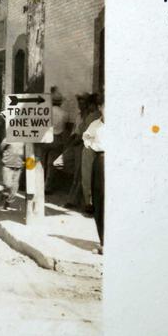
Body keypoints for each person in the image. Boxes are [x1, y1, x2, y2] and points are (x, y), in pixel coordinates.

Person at [83, 99, 105, 254]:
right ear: (100, 107)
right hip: (100, 160)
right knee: (99, 200)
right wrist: (91, 145)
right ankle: (103, 242)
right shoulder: (95, 125)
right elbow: (86, 137)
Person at [65, 93, 92, 209]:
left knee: (80, 174)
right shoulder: (78, 116)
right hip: (75, 145)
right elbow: (74, 130)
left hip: (83, 145)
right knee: (74, 170)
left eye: (82, 103)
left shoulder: (89, 117)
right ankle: (75, 199)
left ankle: (73, 200)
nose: (80, 105)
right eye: (79, 103)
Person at [79, 93, 102, 214]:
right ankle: (88, 203)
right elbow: (84, 135)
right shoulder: (94, 121)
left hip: (101, 154)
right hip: (92, 152)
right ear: (99, 107)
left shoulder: (91, 117)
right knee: (87, 177)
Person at [44, 87, 70, 194]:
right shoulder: (65, 114)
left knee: (41, 161)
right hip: (57, 139)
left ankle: (37, 183)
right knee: (51, 164)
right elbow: (65, 128)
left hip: (46, 137)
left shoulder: (46, 111)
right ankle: (48, 186)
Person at [0, 134, 25, 212]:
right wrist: (3, 159)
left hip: (18, 167)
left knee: (14, 189)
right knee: (7, 184)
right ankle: (2, 202)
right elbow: (0, 149)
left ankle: (7, 203)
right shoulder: (8, 138)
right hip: (7, 166)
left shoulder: (25, 140)